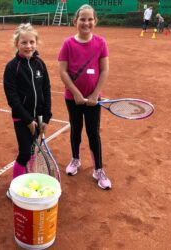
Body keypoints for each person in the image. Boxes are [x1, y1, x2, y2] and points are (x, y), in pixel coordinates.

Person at [58, 4, 111, 190]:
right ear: (75, 21)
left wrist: (95, 94)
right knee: (76, 130)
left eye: (90, 19)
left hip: (94, 100)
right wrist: (77, 94)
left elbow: (104, 70)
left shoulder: (101, 43)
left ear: (95, 21)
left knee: (93, 133)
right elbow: (63, 72)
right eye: (82, 19)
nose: (86, 23)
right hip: (73, 99)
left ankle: (98, 169)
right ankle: (75, 159)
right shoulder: (68, 44)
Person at [3, 23, 52, 198]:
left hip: (38, 117)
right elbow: (12, 98)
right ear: (17, 44)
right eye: (24, 42)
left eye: (32, 41)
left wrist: (46, 117)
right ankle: (14, 191)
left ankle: (27, 181)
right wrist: (28, 120)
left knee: (31, 150)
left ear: (36, 43)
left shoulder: (40, 64)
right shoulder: (12, 67)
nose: (28, 46)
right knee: (24, 152)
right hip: (21, 119)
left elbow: (46, 90)